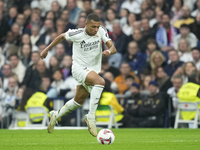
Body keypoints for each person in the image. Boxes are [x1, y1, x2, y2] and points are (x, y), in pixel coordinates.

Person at [40, 13, 117, 136]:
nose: (96, 29)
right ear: (86, 24)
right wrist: (46, 49)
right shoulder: (77, 34)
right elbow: (61, 37)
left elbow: (113, 48)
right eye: (93, 27)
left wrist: (109, 51)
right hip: (79, 69)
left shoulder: (101, 31)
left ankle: (56, 115)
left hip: (92, 70)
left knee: (78, 101)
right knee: (101, 82)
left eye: (97, 26)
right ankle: (91, 117)